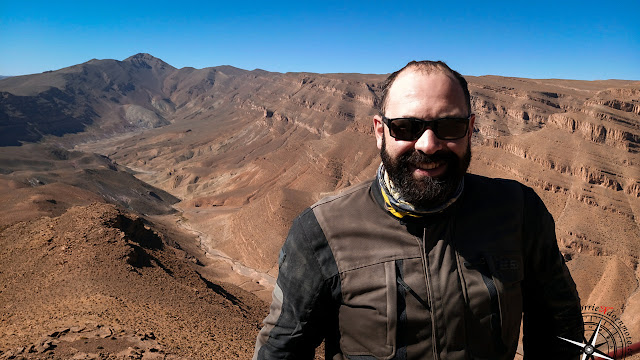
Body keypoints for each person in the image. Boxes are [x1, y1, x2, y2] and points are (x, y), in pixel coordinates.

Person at [253, 60, 584, 360]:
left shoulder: (519, 212)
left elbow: (559, 327)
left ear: (470, 130)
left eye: (450, 127)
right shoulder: (320, 231)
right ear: (380, 132)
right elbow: (282, 350)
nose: (428, 144)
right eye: (407, 128)